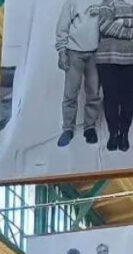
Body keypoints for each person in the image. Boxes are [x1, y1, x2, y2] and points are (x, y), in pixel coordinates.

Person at [96, 0, 133, 152]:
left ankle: (124, 134)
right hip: (108, 57)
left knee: (129, 97)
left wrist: (122, 21)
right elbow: (104, 25)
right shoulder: (108, 2)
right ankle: (113, 134)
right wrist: (132, 32)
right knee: (110, 96)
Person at [55, 0, 102, 147]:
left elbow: (111, 21)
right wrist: (62, 52)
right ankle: (68, 129)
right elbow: (62, 26)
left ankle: (90, 127)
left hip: (96, 53)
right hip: (73, 52)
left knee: (94, 93)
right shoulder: (72, 1)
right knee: (70, 93)